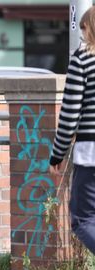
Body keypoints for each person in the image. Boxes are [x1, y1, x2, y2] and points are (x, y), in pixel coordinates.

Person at [49, 6, 95, 255]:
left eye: (84, 28)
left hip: (91, 154)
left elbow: (69, 115)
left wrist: (57, 155)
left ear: (89, 28)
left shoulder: (83, 59)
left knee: (83, 219)